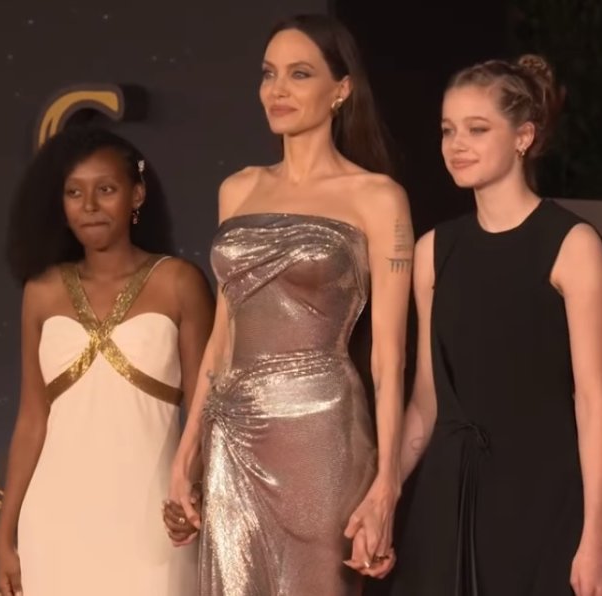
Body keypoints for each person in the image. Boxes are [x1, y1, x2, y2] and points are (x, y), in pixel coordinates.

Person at [161, 13, 413, 596]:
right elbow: (223, 337)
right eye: (268, 73)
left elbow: (389, 357)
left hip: (321, 436)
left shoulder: (378, 197)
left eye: (299, 74)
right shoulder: (237, 189)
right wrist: (186, 453)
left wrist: (387, 485)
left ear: (341, 89)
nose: (277, 90)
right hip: (233, 439)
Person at [388, 55, 602, 595]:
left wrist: (594, 539)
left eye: (477, 129)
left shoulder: (572, 245)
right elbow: (426, 401)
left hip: (544, 503)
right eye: (447, 130)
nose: (457, 145)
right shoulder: (433, 251)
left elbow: (591, 403)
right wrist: (386, 493)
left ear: (523, 137)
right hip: (450, 502)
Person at [0, 126, 214, 596]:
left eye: (106, 190)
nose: (89, 205)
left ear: (137, 195)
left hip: (154, 521)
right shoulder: (41, 291)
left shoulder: (179, 283)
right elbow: (31, 419)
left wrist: (193, 492)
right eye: (74, 193)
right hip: (53, 522)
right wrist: (5, 535)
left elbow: (205, 412)